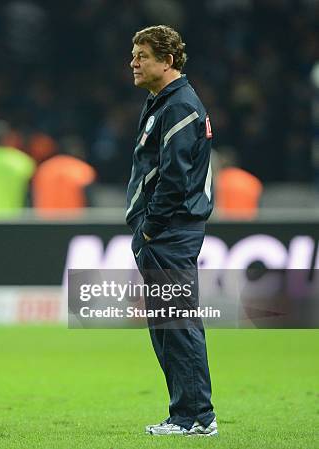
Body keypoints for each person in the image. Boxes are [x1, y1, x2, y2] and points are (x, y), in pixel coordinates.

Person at [125, 25, 217, 436]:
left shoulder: (179, 106)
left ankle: (197, 418)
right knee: (168, 326)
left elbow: (174, 178)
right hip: (164, 231)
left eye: (142, 55)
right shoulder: (164, 101)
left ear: (167, 60)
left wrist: (149, 229)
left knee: (177, 323)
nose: (134, 62)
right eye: (134, 54)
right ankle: (184, 414)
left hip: (169, 232)